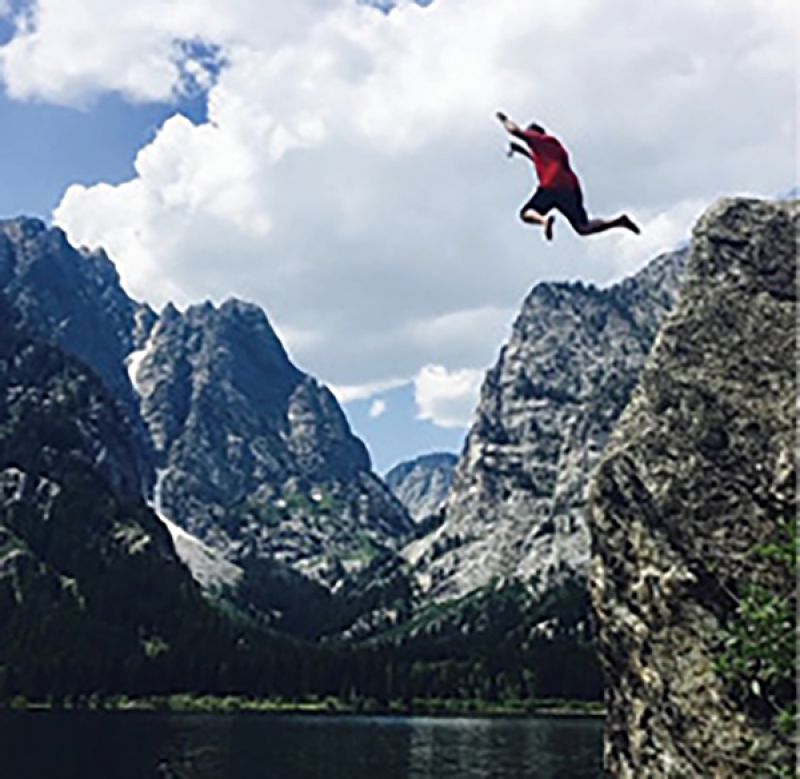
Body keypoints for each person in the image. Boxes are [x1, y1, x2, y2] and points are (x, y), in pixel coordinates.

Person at [496, 111, 640, 241]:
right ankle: (618, 222)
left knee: (525, 213)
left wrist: (505, 120)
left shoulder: (538, 139)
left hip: (550, 187)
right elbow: (538, 160)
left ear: (534, 134)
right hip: (570, 188)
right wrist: (521, 151)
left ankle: (543, 220)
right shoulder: (554, 146)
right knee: (583, 228)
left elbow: (515, 131)